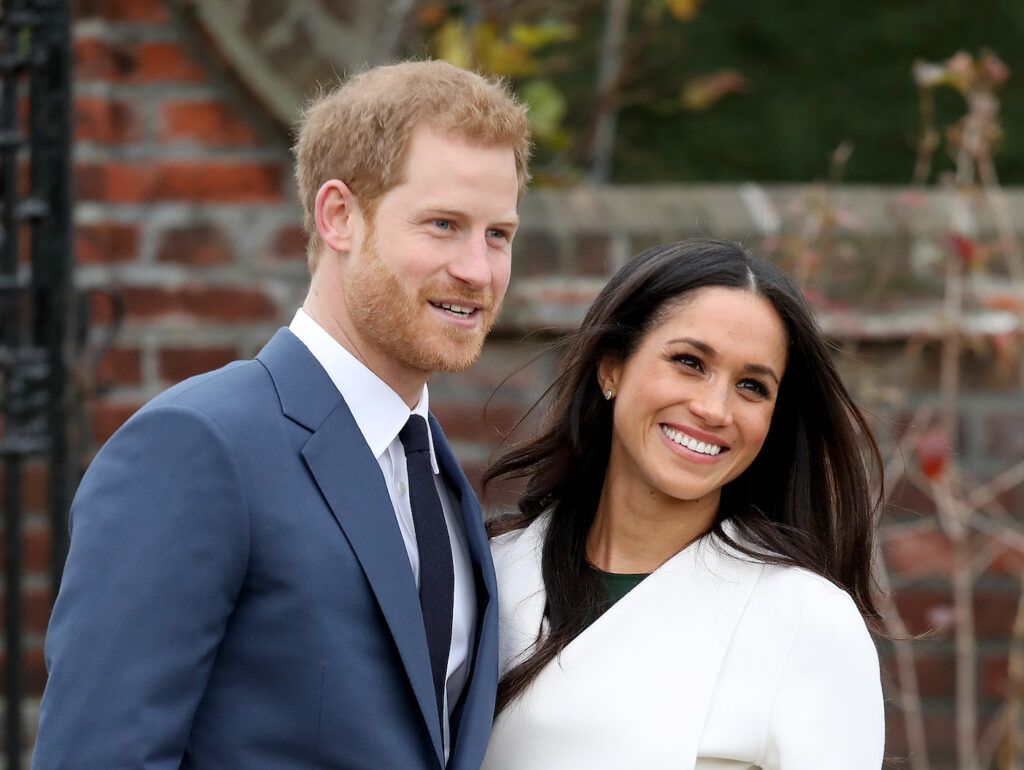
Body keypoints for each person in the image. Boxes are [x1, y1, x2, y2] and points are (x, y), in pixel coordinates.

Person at [34, 59, 531, 769]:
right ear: (339, 216)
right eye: (444, 225)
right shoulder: (198, 446)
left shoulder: (440, 480)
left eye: (498, 234)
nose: (478, 271)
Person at [481, 238, 885, 769]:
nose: (714, 409)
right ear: (612, 369)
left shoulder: (806, 622)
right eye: (689, 362)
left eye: (751, 386)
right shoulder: (488, 573)